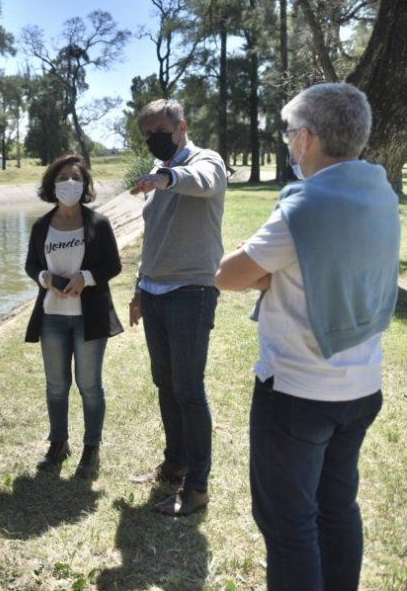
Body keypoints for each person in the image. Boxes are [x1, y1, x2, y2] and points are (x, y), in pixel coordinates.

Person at [216, 83, 399, 590]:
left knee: (289, 523)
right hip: (362, 386)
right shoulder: (380, 191)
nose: (290, 142)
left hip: (298, 393)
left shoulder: (305, 205)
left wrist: (263, 270)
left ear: (310, 138)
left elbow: (228, 275)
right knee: (338, 506)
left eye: (292, 133)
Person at [128, 98, 227, 516]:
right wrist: (138, 287)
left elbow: (201, 182)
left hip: (191, 292)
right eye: (147, 134)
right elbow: (155, 237)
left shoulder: (208, 161)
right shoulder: (157, 174)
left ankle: (197, 488)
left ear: (181, 125)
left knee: (188, 389)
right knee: (165, 383)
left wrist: (166, 177)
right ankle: (174, 464)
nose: (154, 139)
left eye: (159, 131)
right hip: (155, 293)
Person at [24, 155, 123, 478]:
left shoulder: (98, 224)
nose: (70, 183)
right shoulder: (41, 226)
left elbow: (113, 265)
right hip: (52, 316)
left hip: (88, 317)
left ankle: (91, 448)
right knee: (56, 385)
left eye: (76, 178)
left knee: (89, 384)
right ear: (53, 184)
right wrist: (45, 279)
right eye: (63, 177)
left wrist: (86, 277)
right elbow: (31, 265)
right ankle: (58, 443)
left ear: (85, 185)